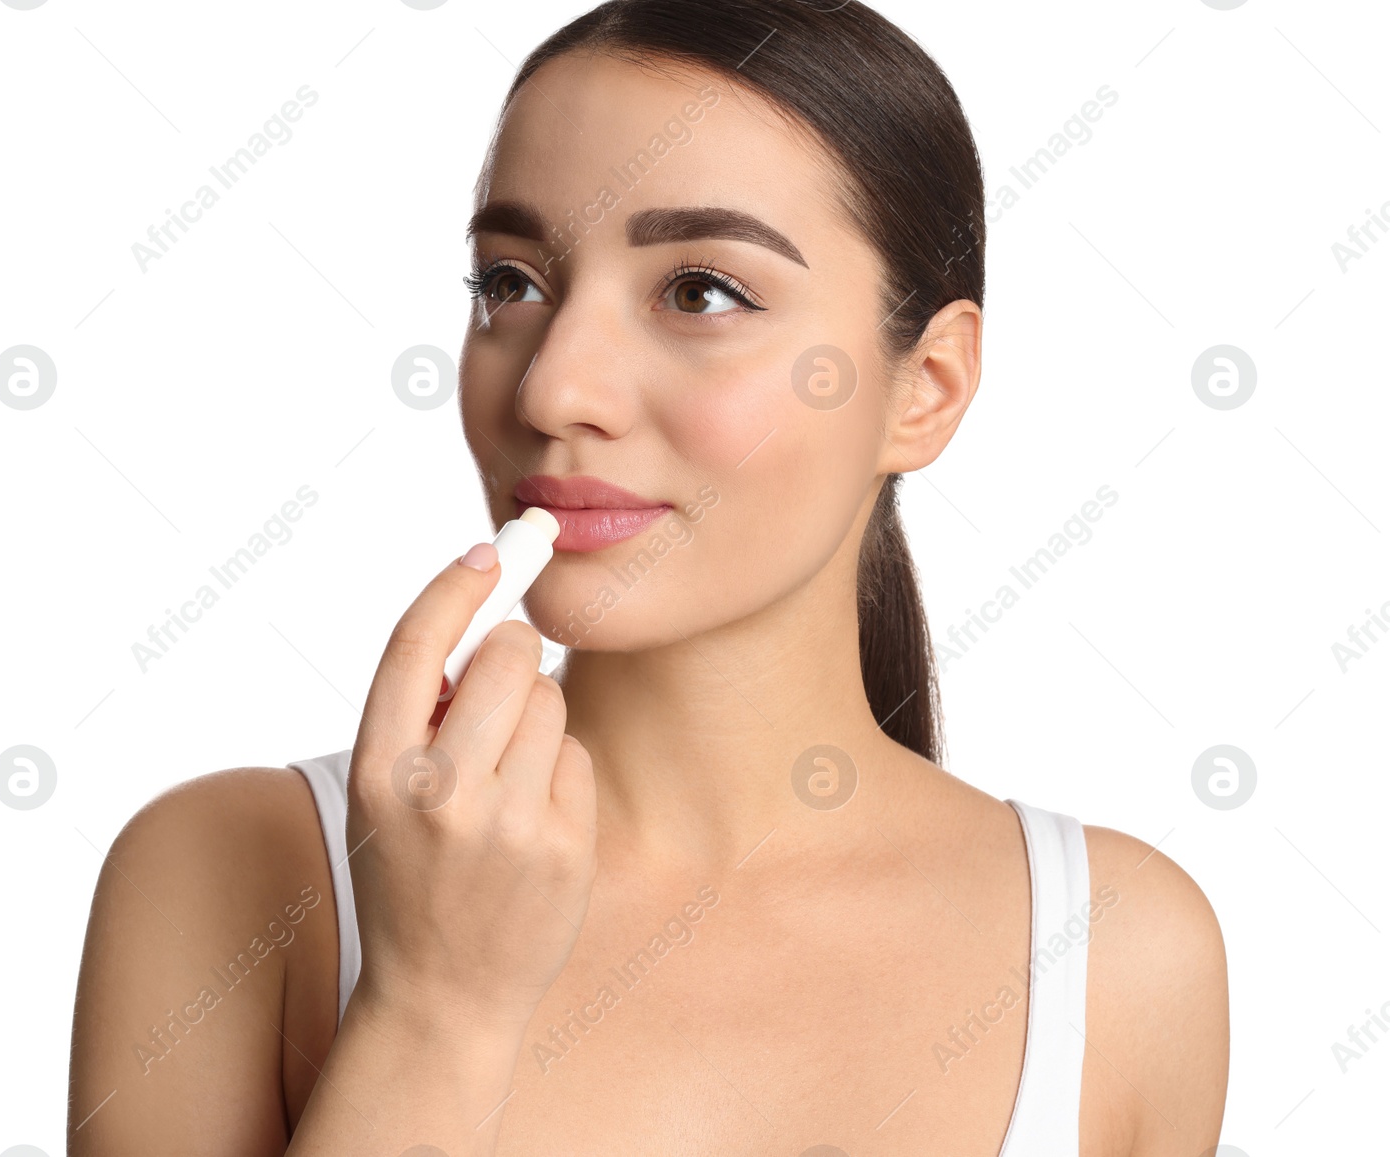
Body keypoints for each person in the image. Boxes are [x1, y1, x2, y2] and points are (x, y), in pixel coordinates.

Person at [67, 2, 1229, 1153]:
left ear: (923, 385)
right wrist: (433, 1008)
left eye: (699, 292)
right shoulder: (227, 873)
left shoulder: (1116, 952)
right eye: (510, 284)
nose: (551, 389)